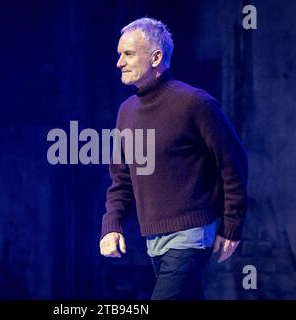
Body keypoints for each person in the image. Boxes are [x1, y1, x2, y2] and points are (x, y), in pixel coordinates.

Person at [99, 17, 248, 300]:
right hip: (154, 239)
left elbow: (233, 162)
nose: (119, 62)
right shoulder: (126, 112)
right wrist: (112, 224)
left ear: (156, 57)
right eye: (119, 54)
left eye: (128, 54)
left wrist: (232, 224)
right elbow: (121, 178)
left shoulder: (195, 103)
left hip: (192, 233)